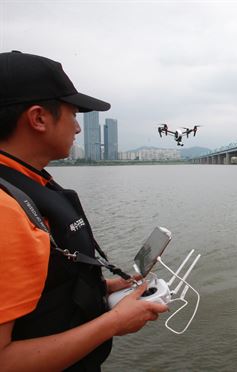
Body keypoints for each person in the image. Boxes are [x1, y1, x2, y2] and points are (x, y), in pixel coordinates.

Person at [0, 51, 168, 371]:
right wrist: (114, 323)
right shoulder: (5, 212)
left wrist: (106, 287)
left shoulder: (28, 185)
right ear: (38, 118)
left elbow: (43, 294)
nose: (77, 128)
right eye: (73, 114)